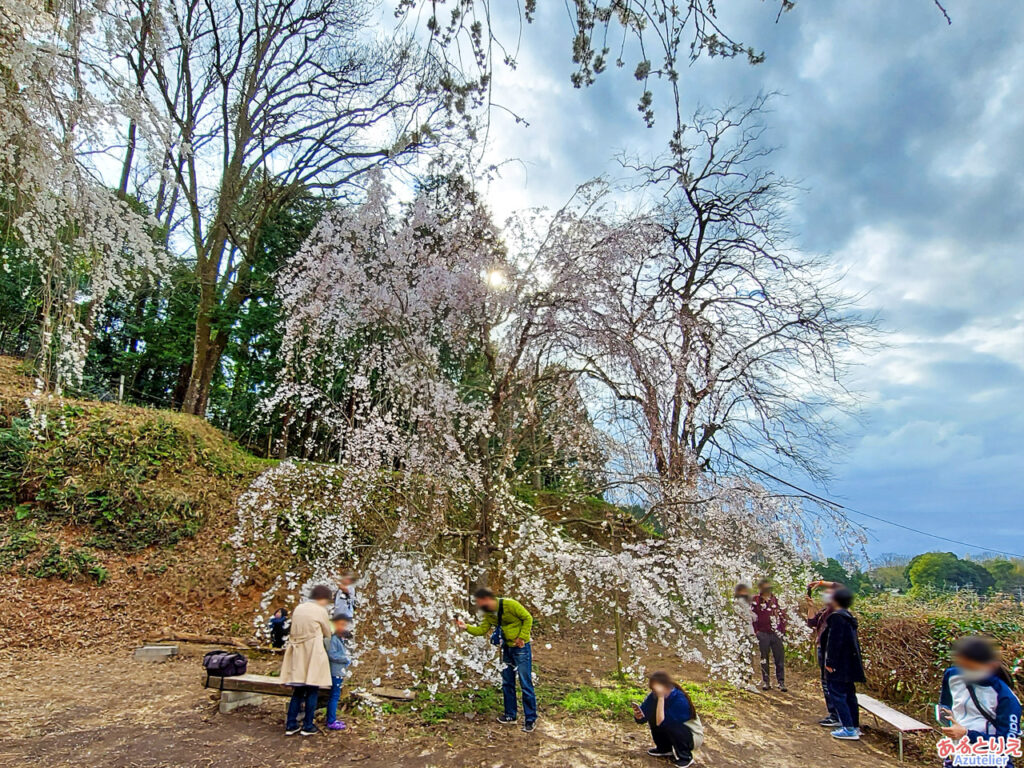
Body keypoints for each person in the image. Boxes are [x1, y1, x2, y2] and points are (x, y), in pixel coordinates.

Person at [455, 587, 537, 732]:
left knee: (525, 683)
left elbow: (528, 618)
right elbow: (481, 630)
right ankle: (510, 715)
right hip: (506, 648)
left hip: (521, 648)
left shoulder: (510, 605)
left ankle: (530, 719)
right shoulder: (489, 614)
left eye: (482, 602)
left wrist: (522, 637)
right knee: (507, 682)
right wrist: (466, 627)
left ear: (489, 599)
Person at [939, 636, 1021, 767]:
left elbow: (1006, 743)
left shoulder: (1005, 698)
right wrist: (945, 718)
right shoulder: (952, 675)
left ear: (990, 665)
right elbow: (945, 703)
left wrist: (967, 734)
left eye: (972, 668)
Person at [280, 584, 333, 736]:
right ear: (322, 599)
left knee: (298, 691)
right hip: (312, 653)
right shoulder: (320, 610)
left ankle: (291, 724)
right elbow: (327, 632)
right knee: (312, 690)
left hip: (297, 653)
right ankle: (308, 725)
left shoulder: (299, 608)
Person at [631, 671, 703, 768]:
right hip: (671, 730)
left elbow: (662, 723)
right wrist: (638, 716)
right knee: (654, 716)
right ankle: (664, 749)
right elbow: (644, 718)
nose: (655, 692)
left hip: (692, 737)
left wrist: (661, 698)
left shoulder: (679, 699)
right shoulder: (654, 696)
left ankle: (686, 757)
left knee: (671, 723)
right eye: (653, 689)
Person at [821, 587, 866, 741]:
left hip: (839, 665)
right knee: (849, 695)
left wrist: (830, 662)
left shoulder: (837, 617)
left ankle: (848, 728)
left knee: (838, 694)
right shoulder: (848, 616)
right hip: (849, 664)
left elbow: (835, 642)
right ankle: (854, 726)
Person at [804, 580, 842, 727]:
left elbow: (840, 587)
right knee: (826, 681)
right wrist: (811, 607)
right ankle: (834, 713)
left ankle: (837, 715)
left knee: (830, 682)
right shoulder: (824, 612)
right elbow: (812, 622)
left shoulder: (837, 612)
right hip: (822, 648)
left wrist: (821, 583)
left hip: (830, 650)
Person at [751, 579, 787, 691]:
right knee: (764, 658)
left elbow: (783, 616)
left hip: (776, 633)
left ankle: (781, 682)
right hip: (763, 633)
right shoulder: (756, 600)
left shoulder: (776, 600)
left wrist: (782, 630)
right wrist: (756, 631)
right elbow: (752, 616)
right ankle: (766, 681)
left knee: (779, 658)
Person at [325, 613, 352, 732]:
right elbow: (332, 655)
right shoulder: (333, 639)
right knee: (334, 696)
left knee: (336, 696)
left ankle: (332, 718)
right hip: (335, 672)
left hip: (340, 671)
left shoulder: (341, 640)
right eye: (341, 624)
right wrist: (346, 658)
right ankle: (331, 720)